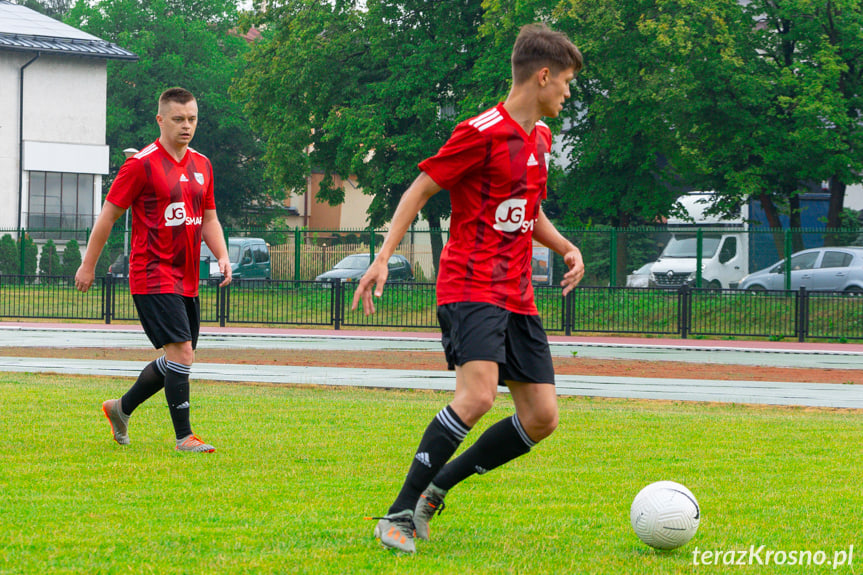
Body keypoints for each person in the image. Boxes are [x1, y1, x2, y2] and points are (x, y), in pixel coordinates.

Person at [352, 24, 585, 553]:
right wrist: (384, 256)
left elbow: (529, 211)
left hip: (517, 293)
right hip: (470, 283)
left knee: (542, 417)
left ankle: (437, 490)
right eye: (566, 82)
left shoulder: (541, 139)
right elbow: (420, 188)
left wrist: (565, 246)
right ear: (543, 76)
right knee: (478, 395)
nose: (567, 94)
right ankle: (397, 516)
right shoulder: (480, 132)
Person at [75, 87, 232, 453]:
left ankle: (120, 408)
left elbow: (209, 217)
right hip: (151, 271)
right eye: (178, 119)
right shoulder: (141, 164)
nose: (186, 126)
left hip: (187, 276)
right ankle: (184, 437)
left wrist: (222, 254)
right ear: (160, 120)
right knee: (182, 353)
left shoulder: (202, 165)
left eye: (192, 119)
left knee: (178, 356)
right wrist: (88, 264)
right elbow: (109, 215)